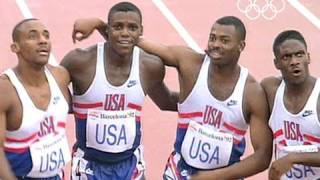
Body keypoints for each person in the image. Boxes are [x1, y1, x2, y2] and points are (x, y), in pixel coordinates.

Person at [73, 16, 273, 179]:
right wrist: (100, 25)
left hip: (224, 176)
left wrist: (215, 177)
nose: (215, 44)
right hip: (179, 172)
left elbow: (263, 156)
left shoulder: (251, 92)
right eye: (212, 38)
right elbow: (131, 40)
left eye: (224, 40)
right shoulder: (189, 63)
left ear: (241, 45)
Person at [61, 2, 178, 180]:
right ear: (108, 30)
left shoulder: (149, 67)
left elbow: (166, 101)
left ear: (141, 31)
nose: (124, 33)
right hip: (88, 166)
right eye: (117, 27)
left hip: (131, 166)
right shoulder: (80, 62)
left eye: (132, 28)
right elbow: (54, 97)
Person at [0, 19, 71, 179]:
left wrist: (100, 26)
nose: (43, 40)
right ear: (15, 47)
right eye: (33, 36)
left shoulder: (60, 76)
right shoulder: (5, 90)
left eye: (46, 35)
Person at [261, 30, 320, 180]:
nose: (294, 61)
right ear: (277, 63)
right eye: (286, 57)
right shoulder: (270, 89)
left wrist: (293, 158)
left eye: (299, 54)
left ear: (308, 57)